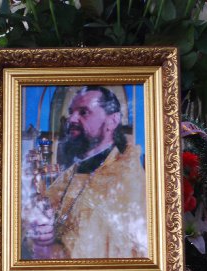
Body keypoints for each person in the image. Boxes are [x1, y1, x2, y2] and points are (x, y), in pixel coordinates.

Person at [25, 85, 148, 259]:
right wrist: (39, 232)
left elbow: (97, 255)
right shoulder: (72, 172)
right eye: (71, 112)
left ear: (112, 121)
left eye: (83, 112)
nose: (71, 119)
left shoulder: (126, 179)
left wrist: (48, 249)